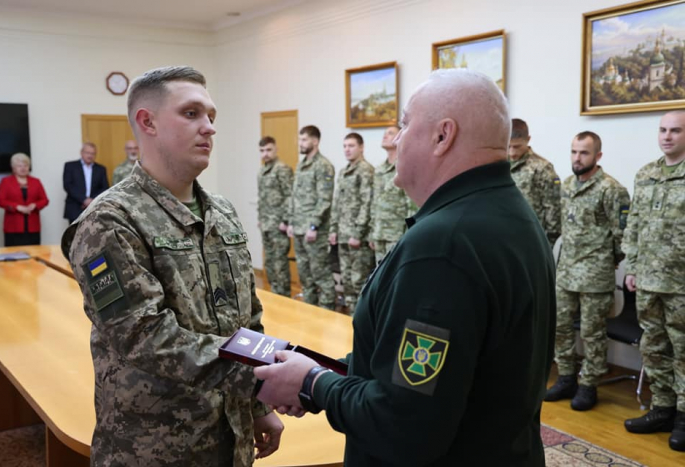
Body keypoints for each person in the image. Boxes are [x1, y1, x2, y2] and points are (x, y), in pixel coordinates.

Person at [254, 69, 555, 466]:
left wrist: (314, 383)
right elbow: (432, 373)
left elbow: (403, 423)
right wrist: (324, 372)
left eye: (404, 124)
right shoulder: (507, 213)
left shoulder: (445, 245)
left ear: (442, 136)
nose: (395, 139)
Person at [61, 66, 283, 466]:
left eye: (211, 116)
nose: (210, 128)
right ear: (147, 122)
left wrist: (256, 405)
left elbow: (246, 319)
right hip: (155, 447)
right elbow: (143, 337)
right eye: (192, 113)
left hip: (230, 437)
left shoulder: (223, 212)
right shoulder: (110, 220)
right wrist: (265, 378)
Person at [544, 132, 630, 411]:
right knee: (559, 328)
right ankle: (566, 377)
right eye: (573, 152)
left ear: (598, 156)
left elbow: (622, 236)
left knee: (593, 334)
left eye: (583, 153)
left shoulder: (611, 189)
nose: (577, 158)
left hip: (595, 275)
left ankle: (589, 385)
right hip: (566, 271)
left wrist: (608, 260)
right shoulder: (566, 186)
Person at [622, 111, 685, 451]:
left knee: (683, 350)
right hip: (647, 279)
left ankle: (684, 417)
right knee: (654, 347)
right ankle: (662, 408)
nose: (667, 136)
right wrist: (631, 266)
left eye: (675, 130)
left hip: (680, 283)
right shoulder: (646, 174)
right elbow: (634, 224)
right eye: (662, 130)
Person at [287, 125, 336, 310]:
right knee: (305, 276)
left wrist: (313, 226)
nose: (300, 143)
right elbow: (294, 195)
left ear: (315, 141)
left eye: (304, 139)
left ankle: (328, 314)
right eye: (299, 139)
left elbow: (325, 200)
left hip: (314, 232)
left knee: (321, 275)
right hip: (299, 228)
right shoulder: (301, 165)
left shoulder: (323, 165)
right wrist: (291, 221)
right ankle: (309, 312)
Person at [328, 133, 375, 312]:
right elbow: (337, 203)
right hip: (342, 235)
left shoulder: (365, 170)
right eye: (345, 146)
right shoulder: (344, 171)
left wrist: (358, 233)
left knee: (359, 282)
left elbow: (367, 203)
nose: (347, 150)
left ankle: (360, 320)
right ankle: (350, 320)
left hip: (357, 238)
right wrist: (333, 229)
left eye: (351, 146)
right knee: (346, 281)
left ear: (361, 147)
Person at [508, 119, 562, 248]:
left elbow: (553, 210)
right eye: (508, 146)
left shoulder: (542, 168)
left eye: (517, 147)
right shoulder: (498, 164)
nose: (512, 153)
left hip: (531, 240)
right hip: (503, 236)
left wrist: (548, 244)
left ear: (528, 139)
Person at [369, 126, 416, 264]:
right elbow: (374, 203)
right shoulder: (379, 170)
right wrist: (373, 232)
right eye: (384, 133)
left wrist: (410, 234)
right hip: (379, 234)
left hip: (397, 235)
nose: (385, 136)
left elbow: (412, 204)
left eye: (390, 133)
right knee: (379, 278)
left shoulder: (405, 166)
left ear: (399, 137)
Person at [257, 136, 293, 297]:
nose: (265, 154)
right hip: (266, 223)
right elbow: (262, 197)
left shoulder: (282, 169)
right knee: (270, 264)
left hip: (279, 225)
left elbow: (290, 196)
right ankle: (274, 296)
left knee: (280, 264)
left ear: (276, 149)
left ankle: (283, 297)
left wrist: (286, 220)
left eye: (269, 150)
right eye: (262, 151)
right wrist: (260, 217)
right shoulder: (262, 171)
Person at [0, 153, 49, 246]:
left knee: (34, 253)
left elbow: (44, 200)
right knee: (13, 255)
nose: (23, 168)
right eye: (19, 166)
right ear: (13, 168)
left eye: (26, 165)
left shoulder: (36, 181)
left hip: (33, 226)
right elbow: (1, 201)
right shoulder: (6, 181)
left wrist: (35, 205)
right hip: (13, 227)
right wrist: (17, 207)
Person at [63, 142, 109, 223]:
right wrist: (84, 200)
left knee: (93, 234)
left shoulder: (101, 169)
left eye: (93, 153)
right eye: (87, 152)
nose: (90, 155)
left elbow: (104, 187)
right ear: (81, 152)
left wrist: (91, 201)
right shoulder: (70, 166)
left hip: (94, 208)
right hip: (75, 208)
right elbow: (68, 185)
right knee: (75, 234)